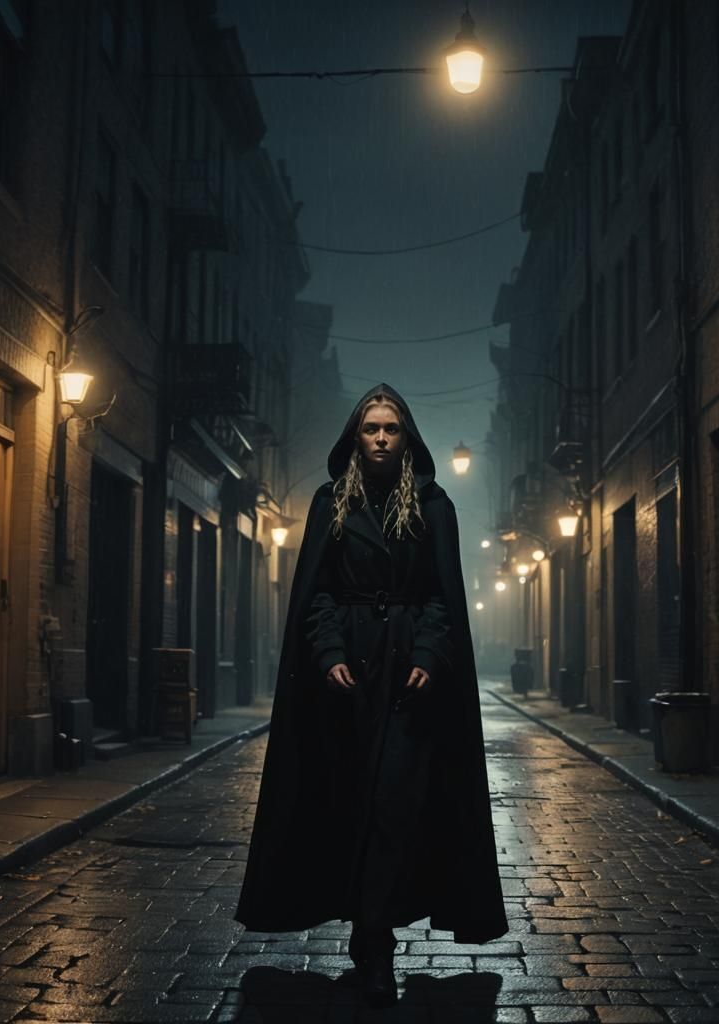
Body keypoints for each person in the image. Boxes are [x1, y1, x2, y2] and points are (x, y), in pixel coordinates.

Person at [235, 383, 506, 1006]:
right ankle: (367, 946)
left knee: (394, 807)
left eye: (391, 428)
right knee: (351, 807)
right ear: (355, 437)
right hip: (350, 678)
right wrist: (327, 653)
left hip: (410, 676)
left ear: (406, 436)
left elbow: (443, 594)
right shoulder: (331, 503)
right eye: (371, 428)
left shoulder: (434, 506)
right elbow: (318, 592)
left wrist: (430, 654)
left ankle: (376, 953)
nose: (381, 437)